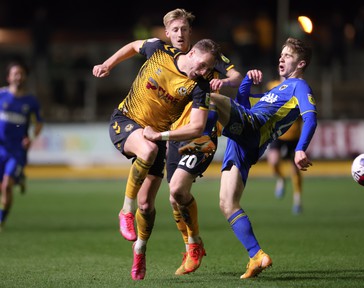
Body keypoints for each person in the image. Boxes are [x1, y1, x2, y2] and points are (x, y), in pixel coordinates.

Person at [92, 37, 221, 280]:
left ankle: (140, 249)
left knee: (147, 205)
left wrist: (160, 135)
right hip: (126, 120)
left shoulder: (200, 86)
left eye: (208, 68)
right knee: (147, 152)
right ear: (192, 53)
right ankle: (125, 211)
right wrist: (109, 64)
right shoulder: (160, 50)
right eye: (202, 65)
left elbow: (196, 127)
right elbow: (131, 46)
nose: (204, 72)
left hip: (155, 137)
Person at [210, 37, 317, 279]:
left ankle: (195, 143)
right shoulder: (277, 90)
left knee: (208, 99)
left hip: (253, 130)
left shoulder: (299, 87)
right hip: (242, 143)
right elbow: (243, 105)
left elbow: (310, 117)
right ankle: (257, 255)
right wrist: (247, 80)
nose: (281, 58)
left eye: (288, 56)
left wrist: (301, 148)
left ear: (301, 64)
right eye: (281, 54)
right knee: (227, 203)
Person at [162, 8, 243, 275]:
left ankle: (193, 245)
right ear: (168, 34)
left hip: (202, 137)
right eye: (176, 30)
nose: (180, 34)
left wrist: (225, 82)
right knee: (176, 199)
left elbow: (235, 76)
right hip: (175, 133)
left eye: (184, 30)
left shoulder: (207, 56)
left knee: (176, 190)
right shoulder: (166, 58)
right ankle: (192, 245)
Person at [0, 60, 44, 230]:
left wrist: (31, 137)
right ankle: (19, 177)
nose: (18, 77)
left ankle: (2, 218)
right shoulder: (1, 95)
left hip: (16, 151)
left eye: (21, 74)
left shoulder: (30, 101)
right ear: (8, 77)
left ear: (25, 77)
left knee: (6, 186)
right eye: (15, 74)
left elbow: (39, 123)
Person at [266, 117, 304, 215]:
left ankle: (297, 200)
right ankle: (281, 178)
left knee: (295, 169)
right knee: (273, 161)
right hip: (278, 134)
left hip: (294, 138)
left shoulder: (300, 102)